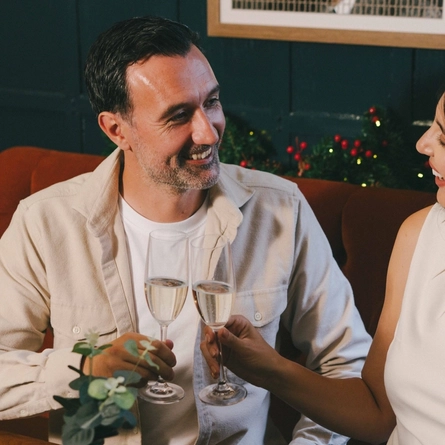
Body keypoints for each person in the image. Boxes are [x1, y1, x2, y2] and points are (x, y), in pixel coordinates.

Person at [0, 15, 372, 445]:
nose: (207, 130)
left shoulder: (281, 210)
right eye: (178, 116)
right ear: (116, 129)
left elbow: (348, 363)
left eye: (211, 102)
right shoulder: (46, 222)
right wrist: (86, 371)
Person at [201, 92, 445, 444]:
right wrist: (268, 367)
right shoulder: (419, 234)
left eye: (443, 135)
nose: (424, 144)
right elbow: (376, 415)